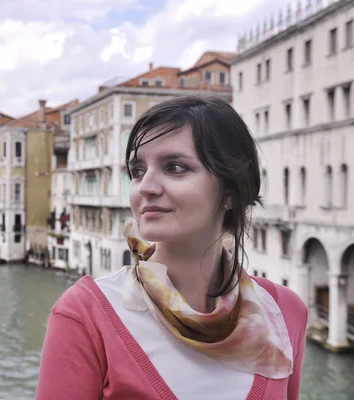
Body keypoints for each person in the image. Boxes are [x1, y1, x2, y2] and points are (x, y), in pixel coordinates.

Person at [35, 96, 308, 400]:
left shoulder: (286, 312)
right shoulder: (84, 316)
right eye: (137, 170)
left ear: (230, 191)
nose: (145, 187)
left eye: (175, 167)